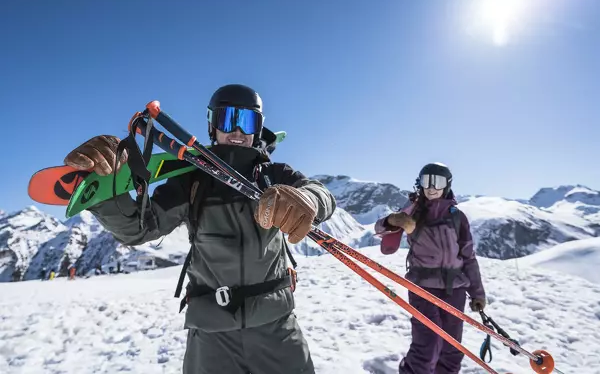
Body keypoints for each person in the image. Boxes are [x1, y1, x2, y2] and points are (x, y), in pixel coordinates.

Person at [63, 84, 336, 374]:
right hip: (211, 336)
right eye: (228, 119)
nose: (238, 131)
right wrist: (109, 191)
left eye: (247, 121)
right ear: (212, 125)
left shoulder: (274, 175)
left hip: (276, 327)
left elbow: (321, 194)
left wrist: (308, 201)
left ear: (258, 129)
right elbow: (140, 229)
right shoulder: (191, 180)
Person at [374, 162, 486, 374]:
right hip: (422, 287)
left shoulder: (457, 217)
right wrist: (392, 220)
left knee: (452, 348)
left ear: (447, 185)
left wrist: (477, 293)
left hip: (455, 288)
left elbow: (468, 257)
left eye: (438, 182)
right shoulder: (414, 211)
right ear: (420, 183)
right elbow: (380, 230)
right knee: (428, 343)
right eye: (427, 181)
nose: (432, 187)